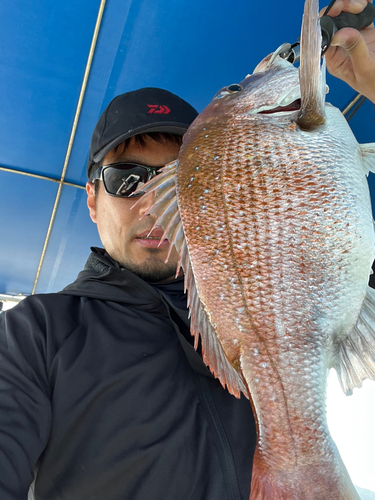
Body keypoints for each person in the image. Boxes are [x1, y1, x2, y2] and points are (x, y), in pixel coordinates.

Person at [0, 2, 374, 499]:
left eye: (178, 183)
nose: (153, 204)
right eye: (127, 178)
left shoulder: (272, 279)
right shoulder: (33, 333)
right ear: (91, 200)